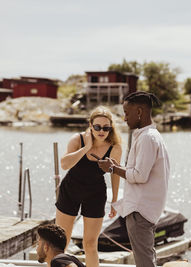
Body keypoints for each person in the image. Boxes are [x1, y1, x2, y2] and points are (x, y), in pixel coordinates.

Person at [98, 91, 170, 267]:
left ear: (139, 112)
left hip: (140, 211)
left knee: (144, 262)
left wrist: (113, 169)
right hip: (145, 209)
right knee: (146, 257)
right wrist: (119, 167)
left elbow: (139, 176)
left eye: (127, 113)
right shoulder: (150, 136)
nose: (124, 118)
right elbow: (138, 172)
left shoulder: (147, 138)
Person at [56, 106, 122, 267]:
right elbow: (64, 164)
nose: (102, 131)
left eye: (106, 128)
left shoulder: (115, 147)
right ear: (90, 125)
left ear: (110, 128)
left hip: (95, 194)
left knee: (90, 245)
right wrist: (86, 148)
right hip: (70, 190)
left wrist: (114, 200)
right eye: (97, 127)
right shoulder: (77, 140)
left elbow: (115, 174)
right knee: (61, 242)